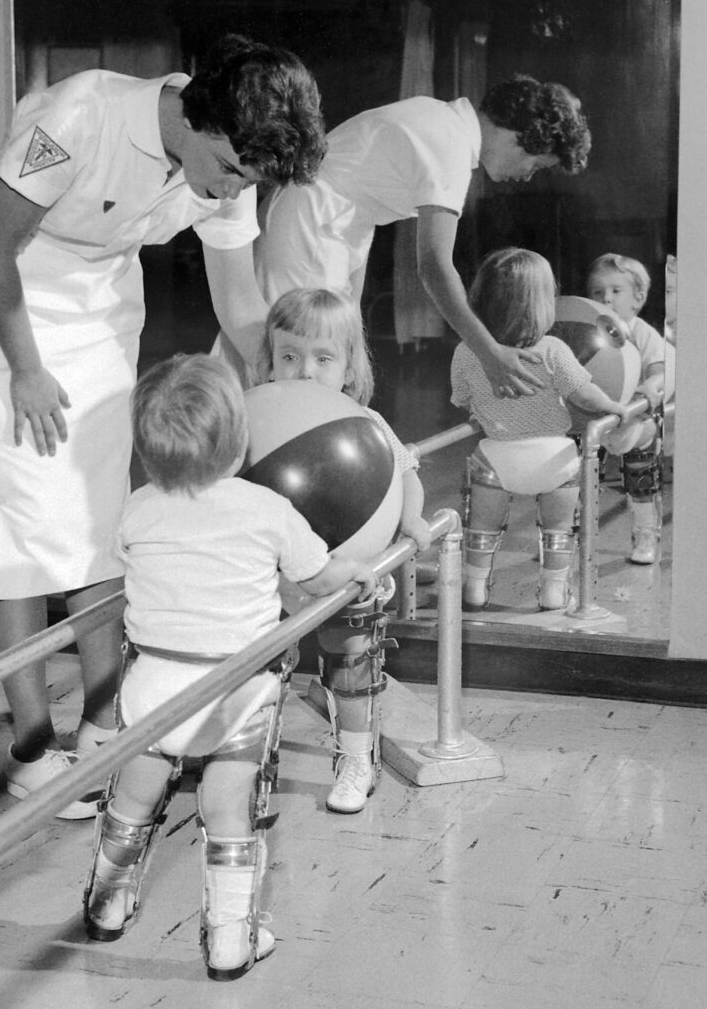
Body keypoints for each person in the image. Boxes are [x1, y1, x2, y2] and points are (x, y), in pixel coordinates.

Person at [0, 35, 326, 817]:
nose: (227, 193)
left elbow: (240, 305)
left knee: (102, 516)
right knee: (18, 522)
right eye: (228, 174)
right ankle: (32, 743)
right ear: (201, 124)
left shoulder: (229, 163)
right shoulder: (79, 114)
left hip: (99, 301)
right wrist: (26, 368)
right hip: (0, 304)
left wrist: (292, 396)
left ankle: (106, 723)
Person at [83, 353, 376, 979]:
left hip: (152, 686)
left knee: (133, 801)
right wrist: (354, 574)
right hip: (236, 689)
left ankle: (107, 905)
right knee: (226, 811)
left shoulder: (136, 507)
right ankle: (229, 939)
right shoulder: (266, 510)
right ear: (239, 441)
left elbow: (127, 561)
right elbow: (319, 577)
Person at [255, 74, 591, 398]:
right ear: (522, 136)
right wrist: (489, 352)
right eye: (535, 166)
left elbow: (361, 198)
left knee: (327, 357)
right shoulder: (451, 144)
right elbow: (433, 265)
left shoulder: (444, 121)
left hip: (332, 223)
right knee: (299, 359)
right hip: (312, 222)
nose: (526, 177)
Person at [258, 287, 432, 813]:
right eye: (289, 356)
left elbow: (405, 476)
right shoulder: (255, 414)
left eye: (322, 358)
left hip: (346, 573)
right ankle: (249, 758)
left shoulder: (366, 424)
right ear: (268, 362)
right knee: (260, 671)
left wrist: (411, 517)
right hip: (271, 578)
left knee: (351, 664)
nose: (304, 370)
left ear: (349, 368)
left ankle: (356, 757)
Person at [451, 249, 629, 611]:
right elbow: (584, 395)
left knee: (482, 528)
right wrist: (612, 406)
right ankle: (552, 591)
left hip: (496, 460)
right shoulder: (553, 350)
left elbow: (462, 399)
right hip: (554, 461)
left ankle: (474, 586)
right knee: (558, 531)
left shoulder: (467, 351)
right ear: (543, 304)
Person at [586, 253, 675, 564]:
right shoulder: (589, 330)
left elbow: (661, 369)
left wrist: (650, 387)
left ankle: (646, 533)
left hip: (636, 420)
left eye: (615, 291)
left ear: (638, 298)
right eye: (597, 292)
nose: (606, 299)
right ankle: (574, 532)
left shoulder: (642, 332)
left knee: (641, 478)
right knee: (581, 475)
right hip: (595, 417)